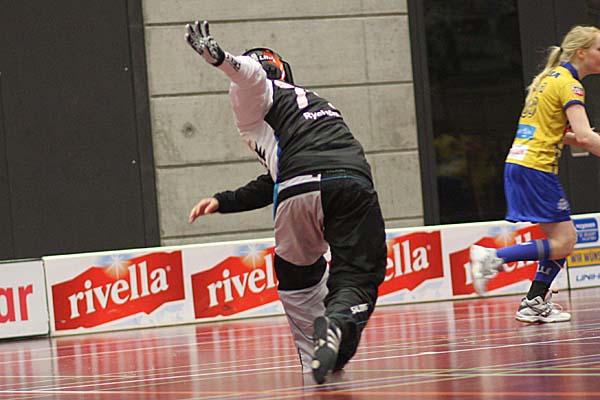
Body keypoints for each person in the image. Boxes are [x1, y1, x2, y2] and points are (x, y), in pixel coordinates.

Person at [184, 20, 387, 383]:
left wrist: (220, 58)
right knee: (357, 276)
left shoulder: (257, 94)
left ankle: (315, 354)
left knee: (296, 275)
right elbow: (272, 181)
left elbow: (251, 78)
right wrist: (223, 200)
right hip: (351, 179)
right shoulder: (317, 103)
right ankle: (336, 326)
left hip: (297, 187)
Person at [470, 25, 600, 323]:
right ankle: (493, 257)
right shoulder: (570, 85)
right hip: (536, 168)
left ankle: (534, 301)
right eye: (599, 49)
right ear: (582, 53)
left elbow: (559, 132)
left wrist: (587, 138)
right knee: (564, 241)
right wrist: (590, 139)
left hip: (520, 164)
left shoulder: (548, 78)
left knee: (564, 238)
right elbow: (584, 136)